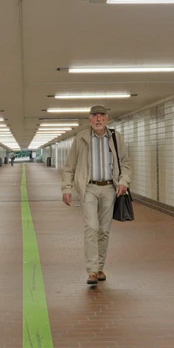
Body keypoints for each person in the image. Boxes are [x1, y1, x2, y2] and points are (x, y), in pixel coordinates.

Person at [60, 105, 132, 285]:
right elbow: (69, 166)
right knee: (92, 227)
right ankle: (92, 270)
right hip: (89, 188)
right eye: (95, 116)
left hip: (109, 188)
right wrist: (67, 188)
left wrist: (124, 181)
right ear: (90, 119)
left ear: (107, 119)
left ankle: (100, 268)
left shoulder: (116, 137)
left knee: (104, 230)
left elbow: (125, 163)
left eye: (102, 116)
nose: (98, 119)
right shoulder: (81, 138)